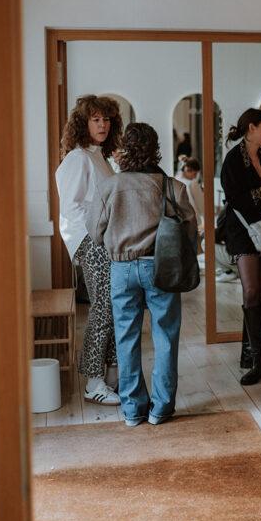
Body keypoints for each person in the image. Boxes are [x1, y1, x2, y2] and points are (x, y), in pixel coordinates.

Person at [88, 122, 197, 426]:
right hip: (161, 267)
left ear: (123, 150)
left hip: (121, 269)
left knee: (126, 338)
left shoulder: (109, 186)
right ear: (155, 150)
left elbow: (95, 232)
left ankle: (133, 410)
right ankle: (161, 408)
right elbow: (190, 229)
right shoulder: (172, 187)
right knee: (165, 336)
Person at [55, 94, 123, 404]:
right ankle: (94, 383)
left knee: (111, 307)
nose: (103, 124)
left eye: (107, 119)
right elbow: (71, 208)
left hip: (105, 242)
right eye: (96, 119)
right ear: (83, 123)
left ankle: (108, 376)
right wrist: (94, 242)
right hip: (91, 241)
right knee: (102, 308)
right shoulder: (78, 158)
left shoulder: (100, 157)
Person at [220, 108, 261, 385]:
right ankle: (257, 360)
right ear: (250, 128)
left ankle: (252, 355)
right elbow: (236, 200)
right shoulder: (233, 159)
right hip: (243, 233)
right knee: (250, 292)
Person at [179, 156, 205, 251]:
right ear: (189, 170)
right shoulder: (192, 184)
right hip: (191, 220)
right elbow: (202, 205)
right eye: (195, 174)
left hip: (178, 221)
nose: (195, 176)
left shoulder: (174, 180)